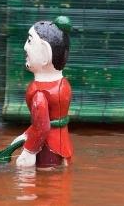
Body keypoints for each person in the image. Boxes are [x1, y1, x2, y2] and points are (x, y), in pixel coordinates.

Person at [11, 16, 73, 167]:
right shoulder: (63, 84)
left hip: (47, 152)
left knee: (45, 185)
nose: (25, 47)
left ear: (45, 54)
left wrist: (28, 152)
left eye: (30, 41)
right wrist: (25, 135)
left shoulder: (40, 93)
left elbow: (43, 127)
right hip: (63, 145)